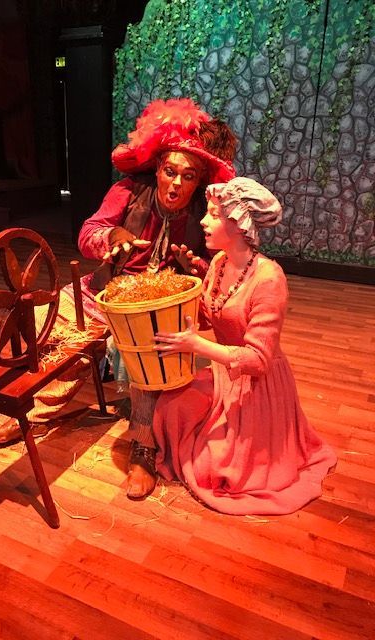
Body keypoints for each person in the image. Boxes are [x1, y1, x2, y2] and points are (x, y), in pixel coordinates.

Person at [0, 99, 237, 501]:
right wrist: (111, 238)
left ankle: (143, 447)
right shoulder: (128, 190)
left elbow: (220, 265)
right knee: (51, 326)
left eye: (187, 177)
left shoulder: (205, 212)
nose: (175, 184)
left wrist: (198, 268)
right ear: (157, 168)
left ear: (199, 181)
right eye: (170, 171)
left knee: (148, 362)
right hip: (101, 293)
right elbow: (90, 231)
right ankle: (37, 416)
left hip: (158, 311)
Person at [152, 177, 337, 514]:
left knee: (219, 467)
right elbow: (213, 319)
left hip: (257, 386)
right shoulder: (220, 265)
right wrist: (190, 290)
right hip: (223, 372)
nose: (203, 221)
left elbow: (257, 360)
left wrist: (195, 346)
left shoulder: (269, 279)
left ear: (237, 223)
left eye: (212, 215)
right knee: (170, 407)